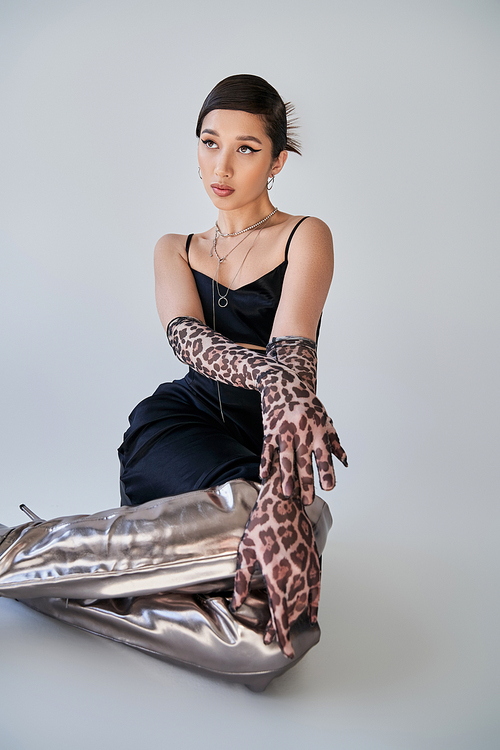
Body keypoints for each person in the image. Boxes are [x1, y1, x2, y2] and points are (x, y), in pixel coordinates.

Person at [0, 74, 347, 691]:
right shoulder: (175, 248)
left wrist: (286, 478)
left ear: (277, 161)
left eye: (245, 147)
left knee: (276, 641)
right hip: (177, 431)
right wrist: (279, 382)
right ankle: (14, 553)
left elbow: (293, 359)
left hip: (255, 446)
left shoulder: (305, 235)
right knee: (255, 516)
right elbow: (192, 342)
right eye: (209, 142)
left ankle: (53, 576)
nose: (222, 164)